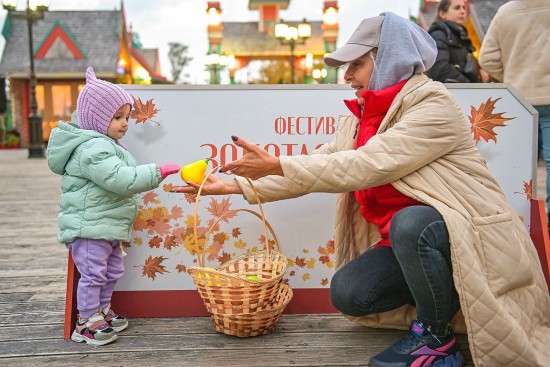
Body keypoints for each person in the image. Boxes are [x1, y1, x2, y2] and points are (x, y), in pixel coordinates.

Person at [172, 12, 550, 367]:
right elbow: (321, 164)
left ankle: (437, 339)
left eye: (356, 65)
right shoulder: (360, 116)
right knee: (350, 293)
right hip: (414, 241)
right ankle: (445, 301)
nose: (348, 76)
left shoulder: (434, 106)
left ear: (389, 61)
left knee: (410, 223)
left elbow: (366, 164)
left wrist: (277, 163)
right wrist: (235, 185)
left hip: (465, 233)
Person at [46, 67, 180, 346]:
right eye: (117, 117)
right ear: (96, 119)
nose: (125, 123)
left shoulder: (107, 144)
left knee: (112, 270)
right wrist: (157, 172)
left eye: (126, 117)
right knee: (94, 273)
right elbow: (120, 179)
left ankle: (101, 311)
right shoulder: (92, 149)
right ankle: (85, 321)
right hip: (88, 226)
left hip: (106, 225)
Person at [479, 0, 550, 226]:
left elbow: (487, 58)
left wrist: (510, 76)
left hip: (517, 100)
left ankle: (516, 221)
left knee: (517, 163)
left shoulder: (505, 12)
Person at [427, 0, 489, 83]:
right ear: (442, 14)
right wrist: (467, 84)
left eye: (463, 7)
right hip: (451, 91)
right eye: (457, 8)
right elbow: (439, 68)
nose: (463, 11)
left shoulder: (460, 35)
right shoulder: (439, 34)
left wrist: (478, 70)